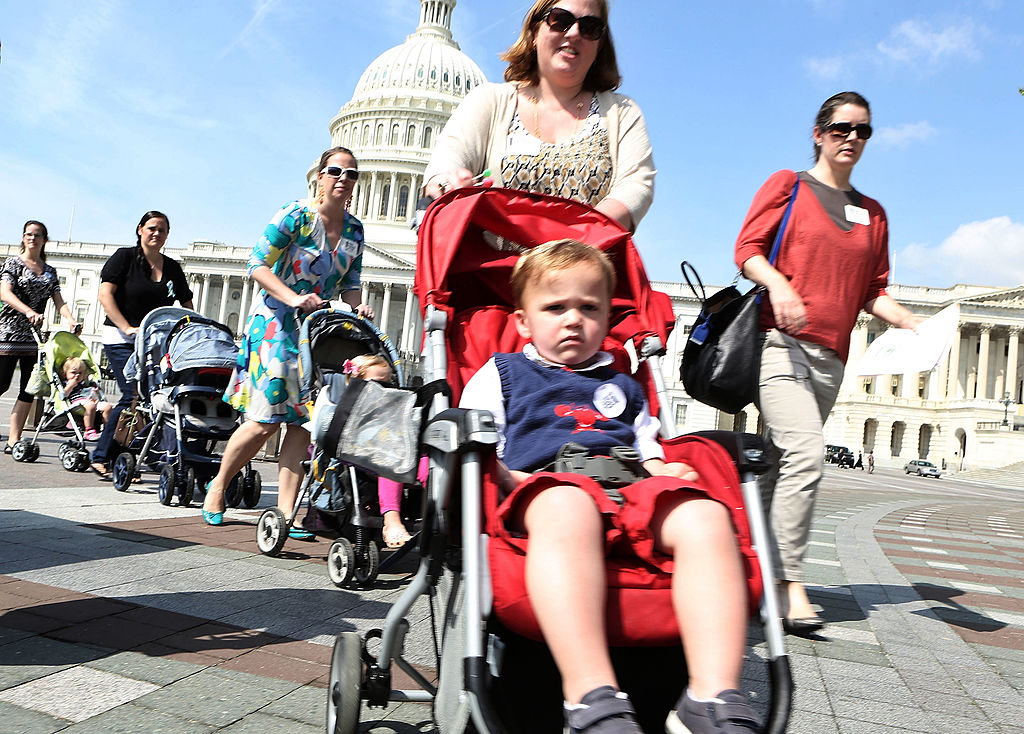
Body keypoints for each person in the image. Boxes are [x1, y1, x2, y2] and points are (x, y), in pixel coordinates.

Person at [460, 240, 760, 734]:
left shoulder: (625, 386)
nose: (573, 320)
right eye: (555, 308)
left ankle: (711, 694)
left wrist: (666, 471)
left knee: (706, 516)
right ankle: (590, 695)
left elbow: (648, 451)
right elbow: (475, 437)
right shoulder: (504, 373)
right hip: (546, 485)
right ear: (523, 322)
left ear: (606, 318)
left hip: (627, 487)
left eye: (589, 308)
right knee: (569, 505)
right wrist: (506, 477)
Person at [734, 92, 922, 634]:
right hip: (779, 344)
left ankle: (744, 570)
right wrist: (779, 285)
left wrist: (908, 321)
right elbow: (747, 250)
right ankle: (788, 584)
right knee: (806, 454)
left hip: (831, 360)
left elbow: (872, 291)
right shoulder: (788, 186)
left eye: (863, 131)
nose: (852, 139)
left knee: (776, 466)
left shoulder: (874, 215)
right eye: (841, 128)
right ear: (818, 133)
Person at [200, 147, 373, 529]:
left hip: (315, 333)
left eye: (351, 174)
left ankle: (286, 512)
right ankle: (219, 485)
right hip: (275, 325)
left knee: (301, 423)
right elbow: (257, 264)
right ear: (320, 176)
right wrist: (293, 297)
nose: (343, 179)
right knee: (265, 420)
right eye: (335, 171)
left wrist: (357, 307)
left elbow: (351, 281)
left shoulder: (355, 231)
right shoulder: (295, 214)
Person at [423, 0, 655, 232]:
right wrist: (446, 183)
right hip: (498, 256)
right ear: (535, 32)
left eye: (590, 27)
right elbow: (447, 161)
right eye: (560, 20)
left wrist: (579, 236)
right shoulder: (488, 100)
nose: (574, 33)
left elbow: (635, 186)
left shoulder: (621, 112)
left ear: (600, 45)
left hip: (589, 251)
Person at [90, 211, 194, 478]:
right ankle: (101, 455)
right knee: (132, 396)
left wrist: (191, 330)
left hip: (155, 342)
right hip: (121, 338)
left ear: (167, 235)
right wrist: (126, 327)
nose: (156, 233)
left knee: (153, 400)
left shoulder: (172, 268)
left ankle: (130, 457)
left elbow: (186, 303)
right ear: (140, 230)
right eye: (151, 228)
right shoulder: (124, 258)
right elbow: (105, 295)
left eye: (162, 230)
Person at [0, 220, 80, 452]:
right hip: (8, 333)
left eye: (37, 235)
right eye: (28, 234)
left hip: (34, 338)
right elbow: (4, 293)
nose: (32, 238)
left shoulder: (49, 271)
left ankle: (13, 440)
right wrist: (28, 311)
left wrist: (71, 319)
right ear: (23, 238)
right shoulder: (13, 263)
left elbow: (59, 301)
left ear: (44, 239)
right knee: (1, 383)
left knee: (29, 388)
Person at [344, 354, 414, 548]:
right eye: (377, 384)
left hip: (402, 454)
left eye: (388, 384)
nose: (385, 389)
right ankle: (391, 521)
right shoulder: (352, 408)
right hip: (370, 457)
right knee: (390, 463)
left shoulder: (394, 406)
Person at [62, 357, 112, 440]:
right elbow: (63, 395)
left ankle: (107, 431)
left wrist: (95, 391)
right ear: (65, 374)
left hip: (90, 400)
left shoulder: (85, 383)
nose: (77, 375)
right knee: (90, 405)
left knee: (107, 406)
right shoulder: (66, 383)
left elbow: (91, 392)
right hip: (75, 403)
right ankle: (89, 430)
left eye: (80, 373)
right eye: (73, 372)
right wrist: (70, 386)